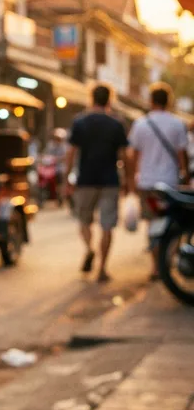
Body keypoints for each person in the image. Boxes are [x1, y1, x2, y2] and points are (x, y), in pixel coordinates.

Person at [65, 84, 128, 283]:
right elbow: (124, 155)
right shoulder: (116, 124)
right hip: (110, 181)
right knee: (107, 225)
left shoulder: (80, 122)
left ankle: (89, 249)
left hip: (86, 180)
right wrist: (127, 180)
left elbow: (71, 152)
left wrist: (66, 178)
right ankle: (102, 268)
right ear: (109, 100)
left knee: (84, 221)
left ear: (91, 98)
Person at [127, 83, 188, 280]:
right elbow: (182, 156)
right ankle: (167, 262)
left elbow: (133, 156)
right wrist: (185, 175)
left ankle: (156, 266)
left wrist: (131, 180)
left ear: (151, 101)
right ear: (169, 101)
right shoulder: (177, 124)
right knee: (173, 223)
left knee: (153, 223)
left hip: (147, 182)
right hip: (170, 182)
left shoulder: (141, 124)